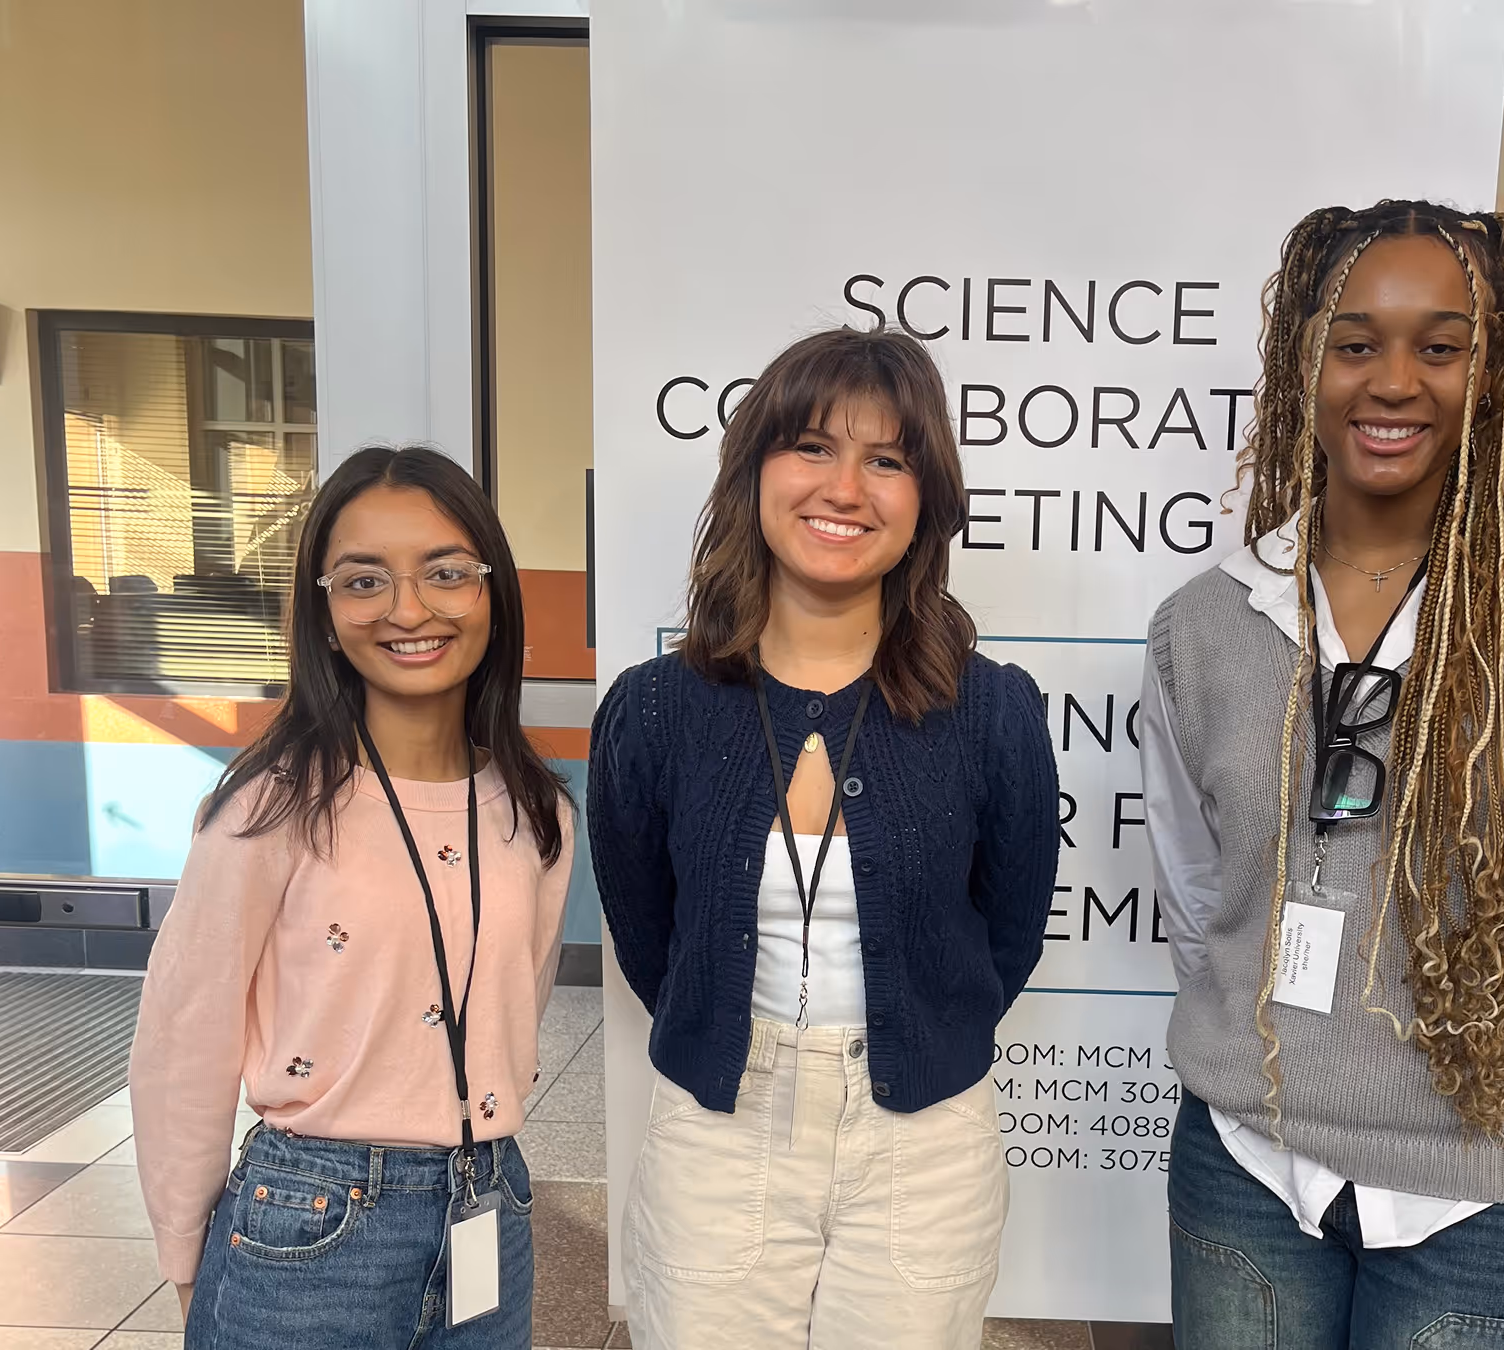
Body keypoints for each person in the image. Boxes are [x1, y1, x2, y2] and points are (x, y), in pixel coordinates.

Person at [1139, 201, 1504, 1349]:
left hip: (1481, 1181)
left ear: (1497, 377)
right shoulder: (1202, 626)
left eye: (1439, 346)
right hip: (1247, 1158)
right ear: (1302, 369)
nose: (1390, 382)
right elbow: (1198, 885)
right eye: (1353, 344)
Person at [589, 327, 1060, 1349]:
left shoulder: (991, 713)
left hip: (924, 1140)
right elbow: (646, 933)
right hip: (717, 1130)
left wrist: (912, 1026)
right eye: (810, 446)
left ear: (924, 500)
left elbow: (1007, 932)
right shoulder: (655, 711)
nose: (843, 487)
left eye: (885, 460)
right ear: (753, 470)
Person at [130, 444, 575, 1350]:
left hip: (489, 1196)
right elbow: (185, 1036)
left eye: (447, 573)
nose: (409, 610)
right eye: (364, 580)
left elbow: (511, 1014)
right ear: (326, 613)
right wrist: (186, 1249)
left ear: (492, 593)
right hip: (310, 1218)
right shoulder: (269, 808)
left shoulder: (535, 814)